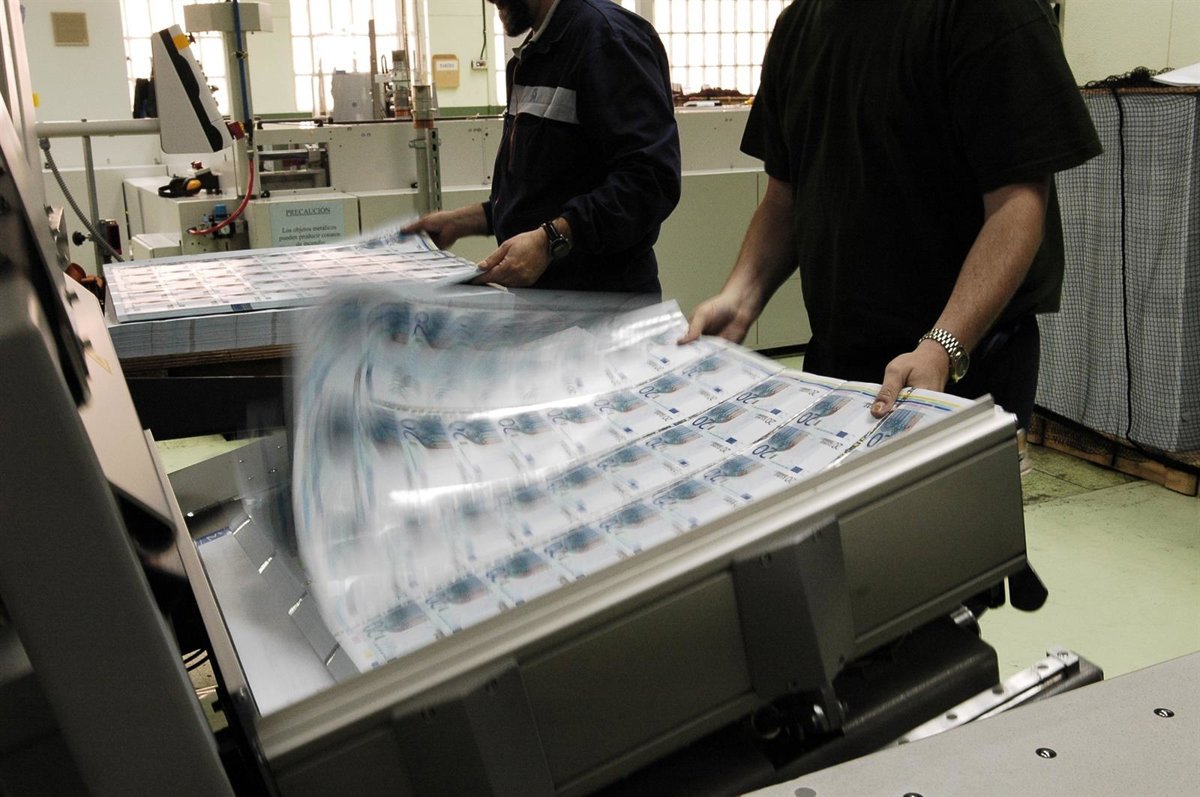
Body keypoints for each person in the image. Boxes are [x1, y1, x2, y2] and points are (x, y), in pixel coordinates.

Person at [681, 0, 1102, 435]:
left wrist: (942, 347)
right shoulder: (799, 25)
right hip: (839, 358)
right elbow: (783, 197)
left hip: (963, 363)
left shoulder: (987, 12)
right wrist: (740, 297)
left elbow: (1017, 205)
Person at [404, 0, 681, 296]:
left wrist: (550, 240)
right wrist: (463, 221)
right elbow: (546, 191)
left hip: (605, 303)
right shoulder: (534, 56)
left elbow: (650, 181)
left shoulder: (608, 40)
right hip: (549, 302)